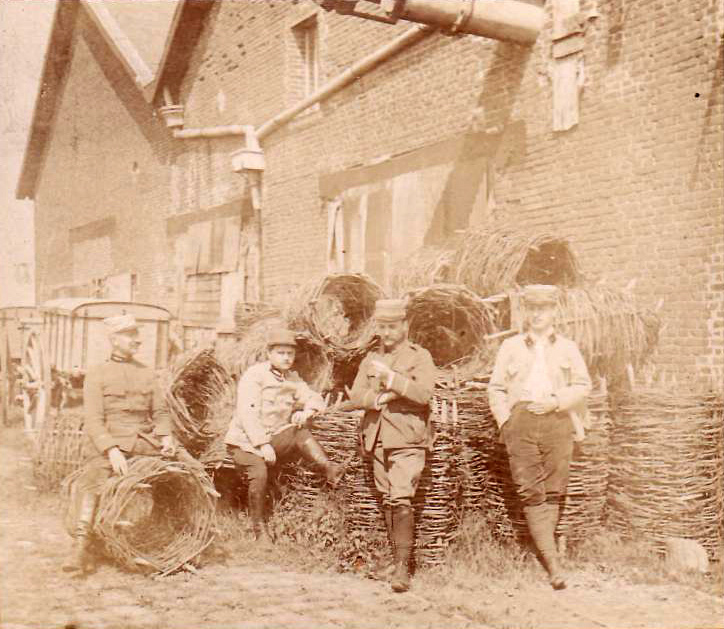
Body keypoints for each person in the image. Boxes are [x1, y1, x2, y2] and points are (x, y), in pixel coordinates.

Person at [488, 284, 592, 590]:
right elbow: (495, 388)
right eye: (531, 309)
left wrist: (557, 401)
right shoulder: (511, 347)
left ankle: (546, 557)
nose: (537, 315)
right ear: (525, 312)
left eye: (543, 309)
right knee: (530, 490)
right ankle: (553, 565)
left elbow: (582, 384)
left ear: (554, 311)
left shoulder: (568, 348)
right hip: (521, 421)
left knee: (553, 489)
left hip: (558, 420)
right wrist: (506, 422)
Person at [63, 314, 178, 574]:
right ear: (114, 339)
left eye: (137, 335)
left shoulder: (146, 373)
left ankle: (179, 536)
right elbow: (93, 419)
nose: (137, 340)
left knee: (188, 466)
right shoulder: (97, 374)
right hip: (109, 439)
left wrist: (166, 436)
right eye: (130, 335)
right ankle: (81, 545)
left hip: (143, 439)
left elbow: (160, 412)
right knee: (94, 478)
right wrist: (111, 449)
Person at [349, 299, 437, 593]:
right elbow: (356, 394)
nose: (386, 333)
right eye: (382, 327)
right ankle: (396, 559)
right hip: (377, 439)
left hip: (406, 437)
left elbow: (423, 394)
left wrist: (392, 381)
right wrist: (373, 399)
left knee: (401, 498)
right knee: (388, 499)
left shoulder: (420, 356)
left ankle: (403, 569)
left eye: (392, 327)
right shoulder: (370, 359)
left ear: (404, 326)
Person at [224, 328, 344, 543]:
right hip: (245, 442)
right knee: (259, 472)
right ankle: (259, 528)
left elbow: (314, 398)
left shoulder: (293, 378)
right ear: (269, 353)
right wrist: (262, 445)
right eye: (281, 353)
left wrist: (307, 411)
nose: (286, 358)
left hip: (274, 437)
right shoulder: (255, 375)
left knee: (299, 430)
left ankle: (329, 468)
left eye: (290, 353)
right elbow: (247, 413)